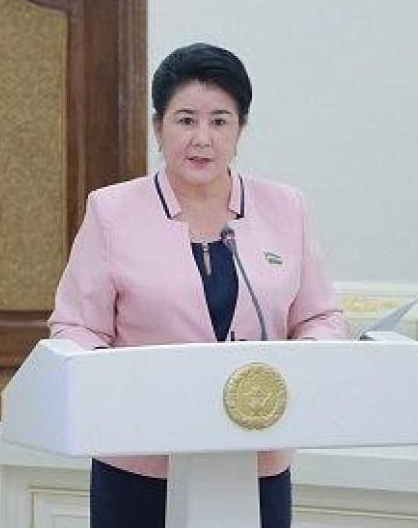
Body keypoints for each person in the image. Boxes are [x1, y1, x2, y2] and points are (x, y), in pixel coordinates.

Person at [48, 42, 346, 528]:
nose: (202, 138)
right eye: (185, 120)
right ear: (158, 128)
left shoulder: (285, 208)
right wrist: (113, 380)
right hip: (141, 457)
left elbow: (321, 316)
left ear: (240, 129)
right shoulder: (112, 211)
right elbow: (76, 327)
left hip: (255, 451)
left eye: (219, 121)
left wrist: (308, 357)